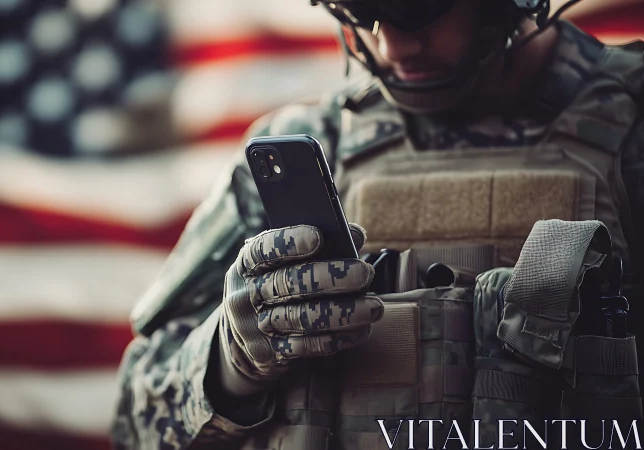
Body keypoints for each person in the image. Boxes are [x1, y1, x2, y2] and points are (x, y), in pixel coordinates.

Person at [110, 0, 644, 448]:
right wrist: (228, 363)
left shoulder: (630, 119)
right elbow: (134, 419)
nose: (389, 46)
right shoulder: (314, 142)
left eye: (418, 12)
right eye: (361, 12)